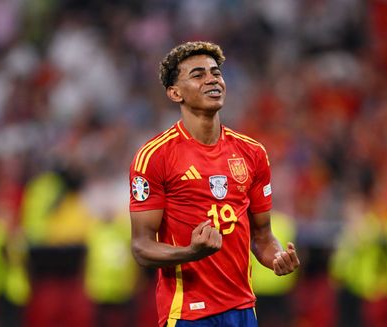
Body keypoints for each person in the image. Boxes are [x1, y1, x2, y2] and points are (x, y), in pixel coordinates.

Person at [128, 41, 300, 327]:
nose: (212, 80)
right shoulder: (154, 157)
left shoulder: (252, 152)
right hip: (187, 314)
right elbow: (141, 247)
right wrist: (190, 253)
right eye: (197, 75)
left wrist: (278, 258)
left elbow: (263, 237)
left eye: (216, 73)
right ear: (174, 93)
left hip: (242, 309)